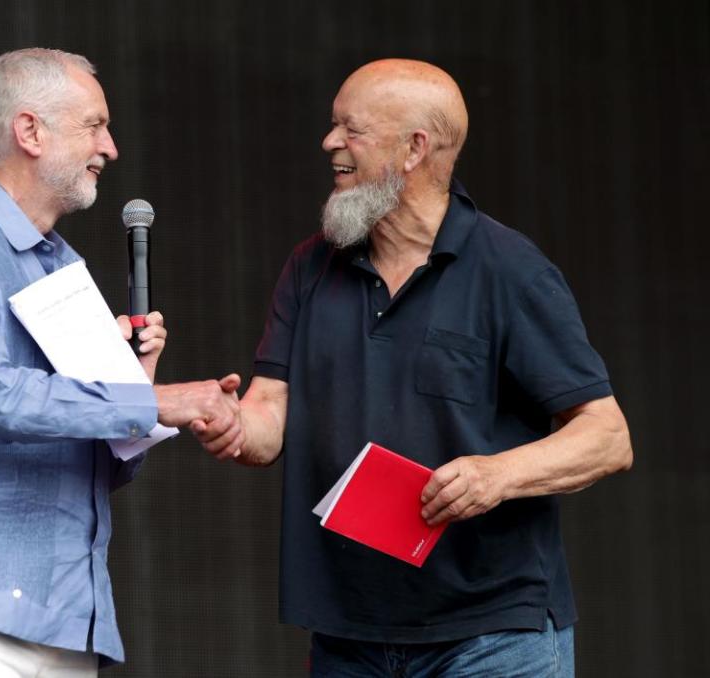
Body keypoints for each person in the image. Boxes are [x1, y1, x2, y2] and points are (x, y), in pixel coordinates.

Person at [194, 59, 633, 676]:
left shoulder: (510, 271)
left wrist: (496, 475)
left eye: (351, 129)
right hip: (348, 633)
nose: (330, 143)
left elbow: (608, 437)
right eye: (332, 126)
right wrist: (232, 424)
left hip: (492, 634)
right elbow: (268, 413)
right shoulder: (309, 266)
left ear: (413, 149)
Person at [0, 48, 243, 677]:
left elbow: (95, 470)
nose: (111, 147)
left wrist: (131, 397)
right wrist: (158, 402)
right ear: (30, 130)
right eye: (95, 124)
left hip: (66, 612)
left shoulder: (64, 266)